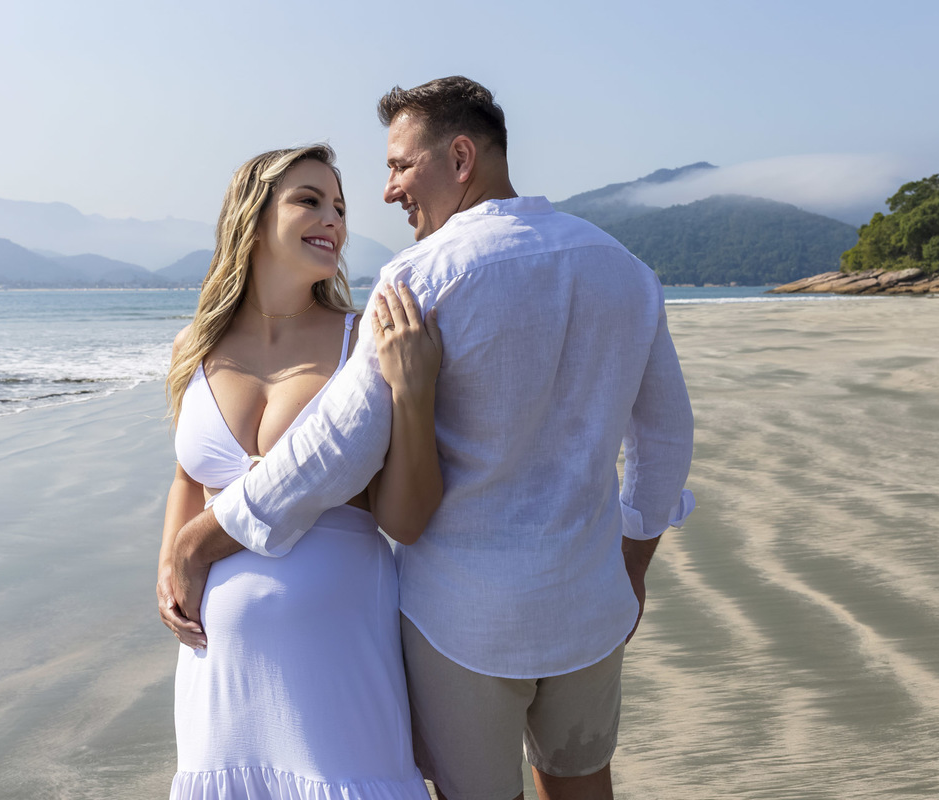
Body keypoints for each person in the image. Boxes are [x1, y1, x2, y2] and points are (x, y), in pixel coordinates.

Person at [164, 77, 695, 800]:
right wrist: (632, 564)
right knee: (582, 784)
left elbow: (336, 448)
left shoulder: (425, 276)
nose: (389, 190)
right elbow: (665, 442)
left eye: (400, 166)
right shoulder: (624, 270)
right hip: (589, 603)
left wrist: (206, 536)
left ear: (462, 157)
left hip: (462, 618)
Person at [157, 144, 439, 799]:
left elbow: (404, 518)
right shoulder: (195, 345)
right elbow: (187, 479)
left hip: (337, 658)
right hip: (216, 670)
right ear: (253, 220)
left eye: (339, 206)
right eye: (309, 201)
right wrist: (169, 570)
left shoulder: (364, 339)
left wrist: (415, 393)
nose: (333, 219)